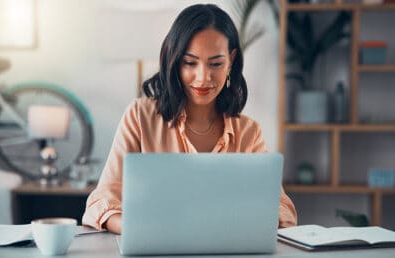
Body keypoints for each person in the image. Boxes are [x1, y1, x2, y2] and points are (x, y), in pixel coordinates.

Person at [82, 3, 297, 234]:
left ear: (231, 61)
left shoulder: (248, 132)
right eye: (190, 63)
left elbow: (282, 209)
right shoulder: (139, 117)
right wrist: (141, 230)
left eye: (216, 63)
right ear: (174, 61)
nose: (203, 77)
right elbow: (100, 203)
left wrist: (243, 222)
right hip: (156, 247)